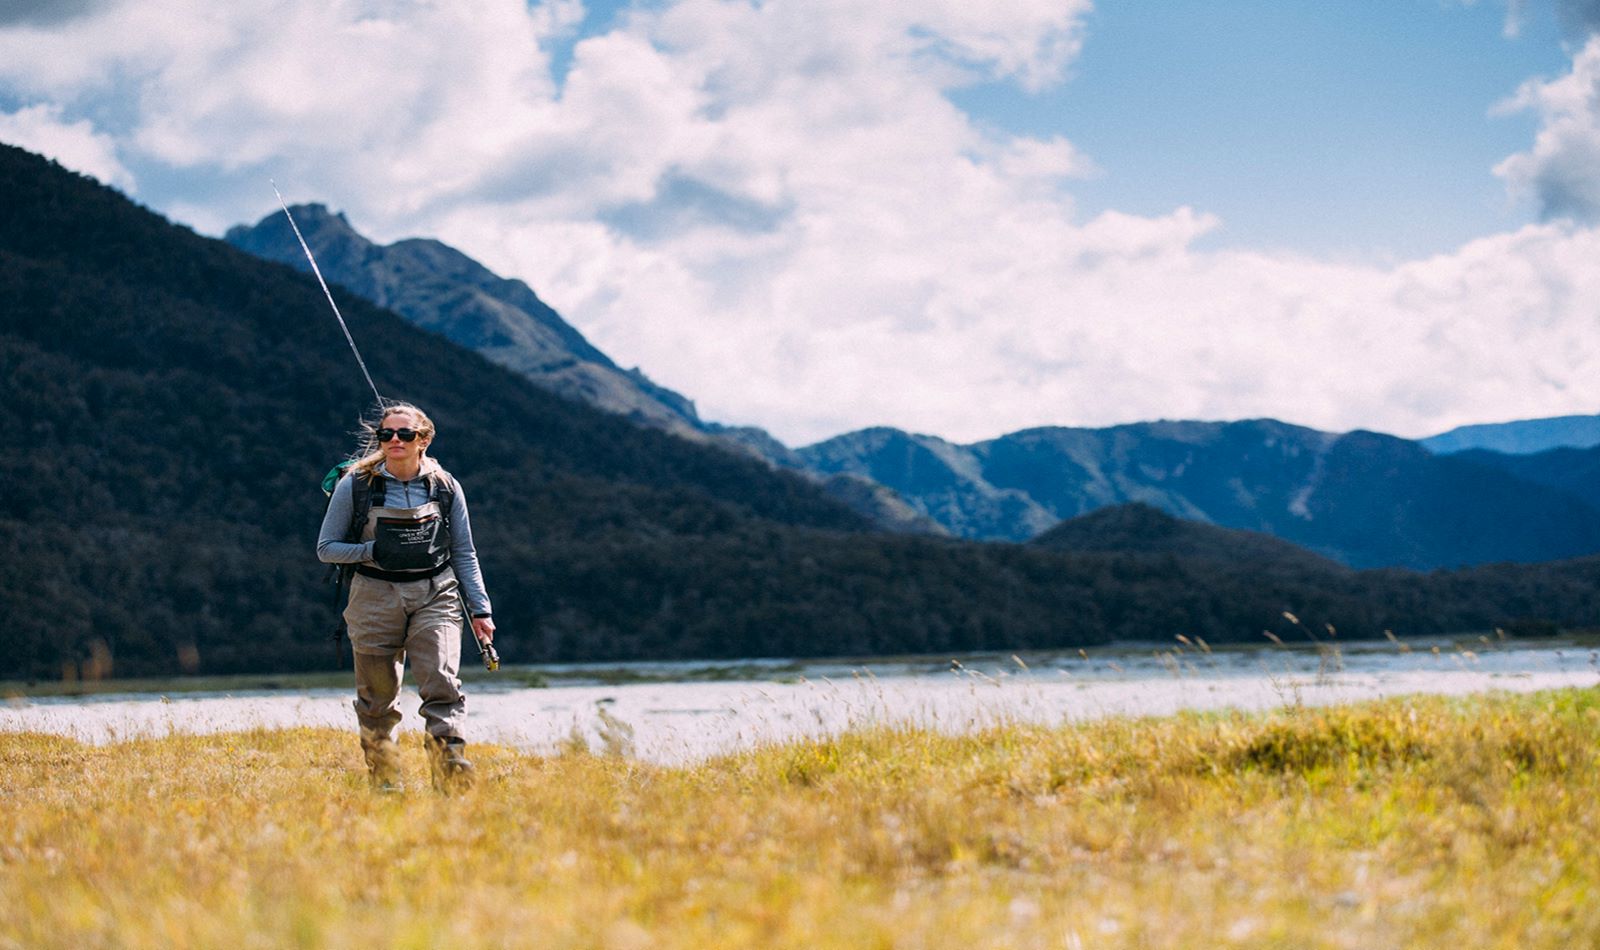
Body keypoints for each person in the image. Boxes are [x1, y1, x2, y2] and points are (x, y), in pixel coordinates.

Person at [317, 402, 495, 791]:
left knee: (442, 682)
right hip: (373, 595)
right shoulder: (356, 485)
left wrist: (481, 609)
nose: (394, 440)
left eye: (405, 434)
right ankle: (386, 782)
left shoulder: (445, 486)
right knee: (377, 699)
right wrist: (374, 551)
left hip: (436, 593)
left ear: (424, 440)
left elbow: (465, 551)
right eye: (386, 435)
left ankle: (450, 773)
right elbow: (326, 547)